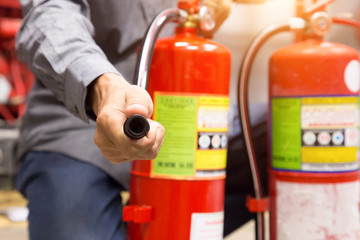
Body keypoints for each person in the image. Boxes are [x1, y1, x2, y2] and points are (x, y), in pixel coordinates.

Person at [15, 0, 232, 239]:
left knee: (273, 132)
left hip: (189, 120)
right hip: (77, 129)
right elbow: (50, 14)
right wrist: (104, 88)